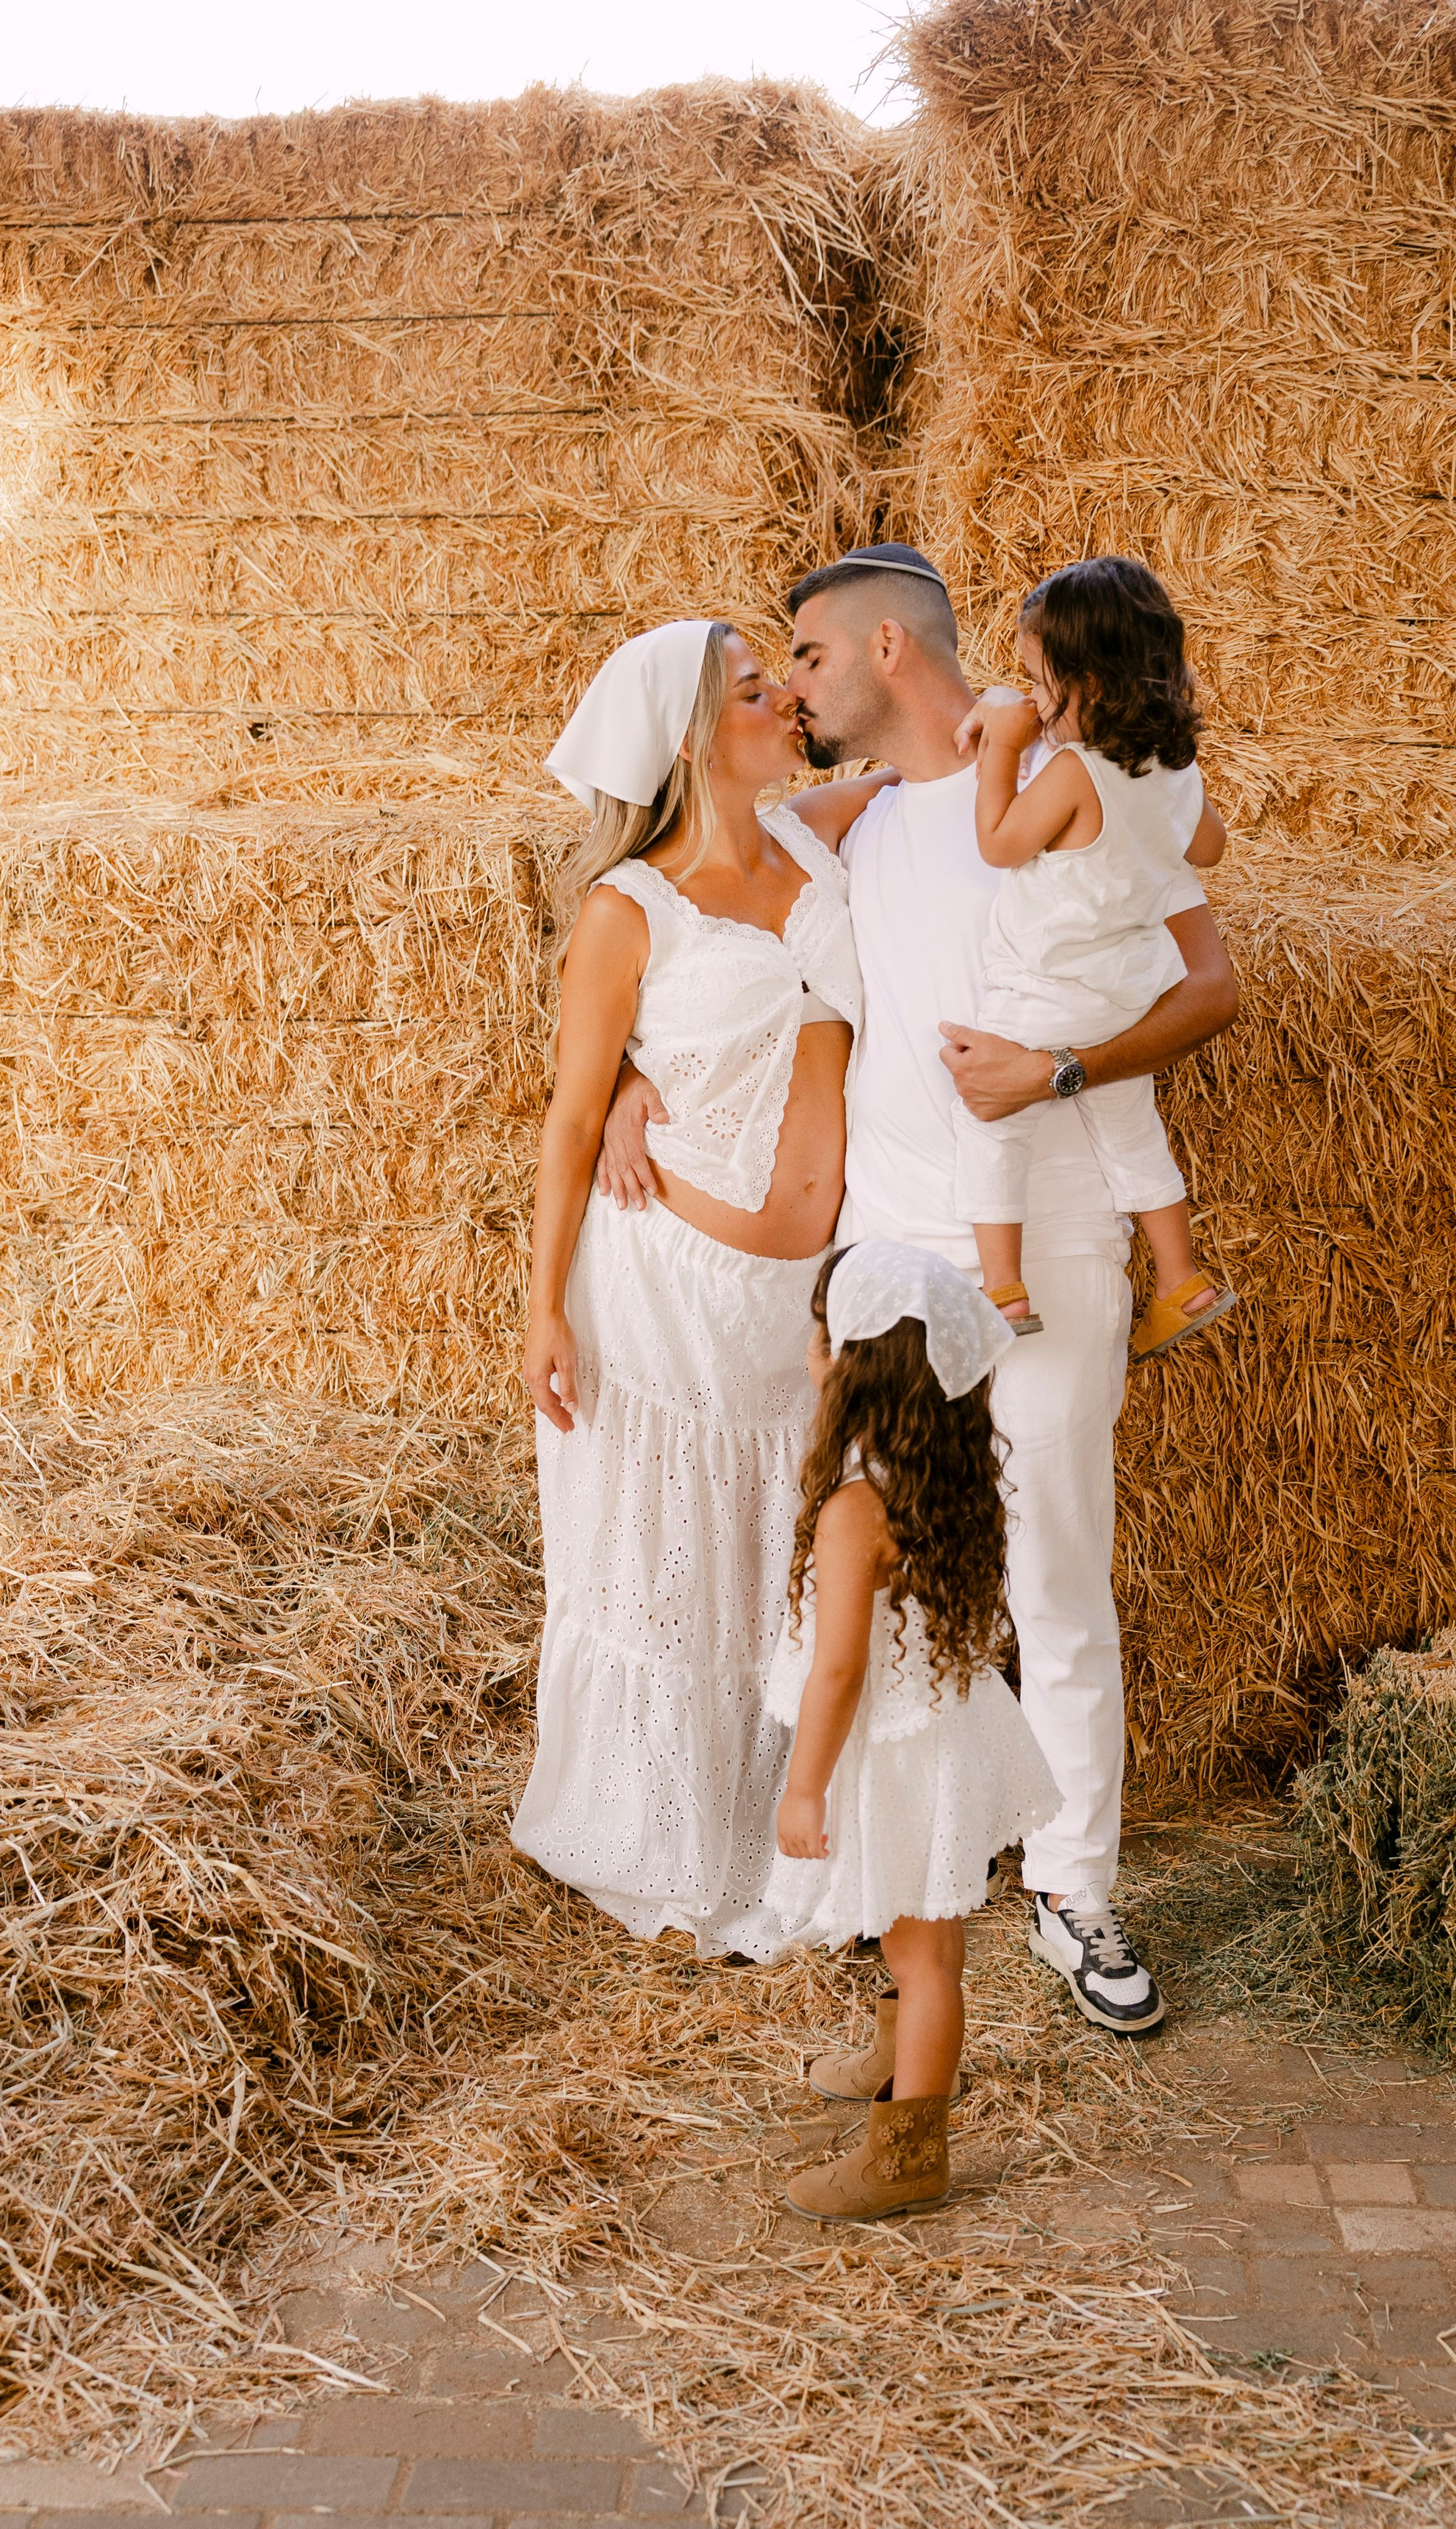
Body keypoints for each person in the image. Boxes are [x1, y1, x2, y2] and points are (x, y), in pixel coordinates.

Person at [598, 545, 1240, 2038]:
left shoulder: (1070, 783)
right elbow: (679, 906)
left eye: (810, 659)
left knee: (1055, 1573)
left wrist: (1057, 1070)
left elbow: (1209, 985)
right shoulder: (851, 822)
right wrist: (631, 1072)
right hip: (890, 1264)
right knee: (872, 1577)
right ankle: (884, 1876)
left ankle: (1075, 1889)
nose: (794, 691)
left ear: (889, 649)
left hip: (1051, 1242)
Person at [512, 618, 867, 1951]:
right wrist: (544, 1306)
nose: (788, 702)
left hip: (800, 1299)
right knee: (673, 1566)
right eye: (757, 690)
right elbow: (568, 1117)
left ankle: (791, 1831)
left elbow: (939, 754)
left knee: (775, 1559)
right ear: (690, 737)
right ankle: (662, 1835)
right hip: (664, 1290)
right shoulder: (632, 908)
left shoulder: (822, 842)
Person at [766, 1241, 1061, 2223]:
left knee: (923, 1955)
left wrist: (804, 1786)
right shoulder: (940, 1472)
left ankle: (909, 2157)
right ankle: (900, 2059)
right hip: (938, 1735)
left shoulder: (858, 1505)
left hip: (905, 1754)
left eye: (820, 1333)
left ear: (853, 1364)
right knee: (912, 1935)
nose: (810, 1348)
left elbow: (840, 1670)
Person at [959, 556, 1235, 1361]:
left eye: (1038, 684)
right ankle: (1180, 1278)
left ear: (1089, 683)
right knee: (1131, 1134)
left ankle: (1002, 1289)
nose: (1034, 705)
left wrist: (1001, 748)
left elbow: (998, 843)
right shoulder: (1173, 770)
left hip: (1045, 990)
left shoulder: (1074, 771)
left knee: (990, 1125)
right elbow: (1209, 848)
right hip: (1127, 995)